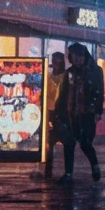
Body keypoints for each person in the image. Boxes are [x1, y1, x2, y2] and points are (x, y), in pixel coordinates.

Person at [54, 42, 105, 184]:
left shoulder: (95, 71)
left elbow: (99, 92)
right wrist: (59, 110)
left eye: (79, 57)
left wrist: (98, 110)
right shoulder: (70, 72)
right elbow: (64, 92)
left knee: (85, 143)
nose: (77, 60)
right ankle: (68, 173)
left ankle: (95, 166)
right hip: (70, 113)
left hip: (87, 113)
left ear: (84, 56)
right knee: (68, 143)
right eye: (74, 57)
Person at [44, 51, 66, 179]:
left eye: (58, 62)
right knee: (50, 142)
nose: (55, 65)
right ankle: (48, 170)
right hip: (50, 112)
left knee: (65, 141)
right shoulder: (50, 77)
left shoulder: (65, 78)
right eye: (54, 62)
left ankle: (67, 171)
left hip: (60, 113)